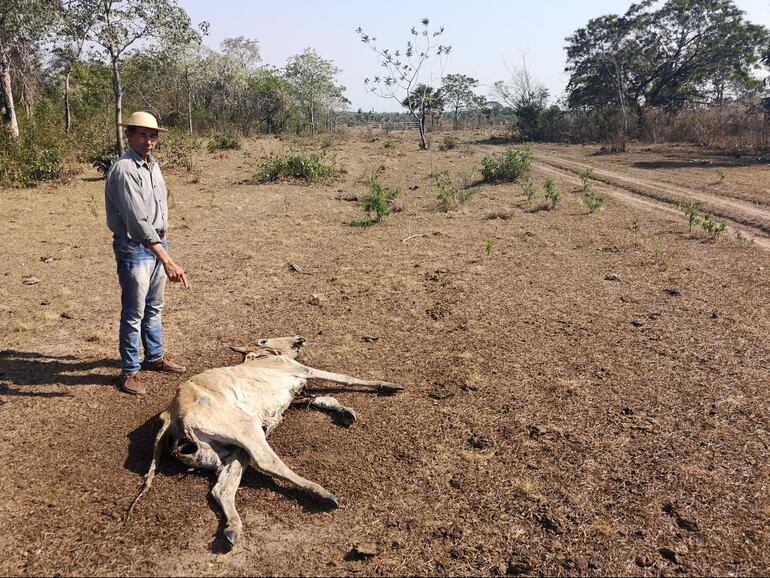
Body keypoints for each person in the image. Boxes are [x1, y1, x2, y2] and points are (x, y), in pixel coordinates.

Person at [105, 111, 190, 395]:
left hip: (157, 244)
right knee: (134, 313)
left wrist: (164, 247)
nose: (148, 141)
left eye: (152, 135)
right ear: (128, 135)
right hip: (135, 248)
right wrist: (167, 260)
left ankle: (154, 357)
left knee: (154, 307)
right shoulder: (124, 169)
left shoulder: (152, 166)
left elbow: (158, 210)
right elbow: (137, 222)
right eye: (141, 134)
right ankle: (129, 371)